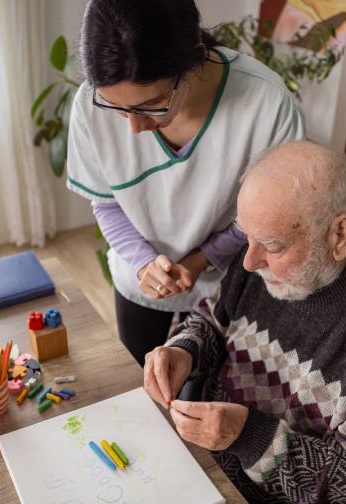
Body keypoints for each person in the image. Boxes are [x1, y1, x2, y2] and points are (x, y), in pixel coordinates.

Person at [144, 141, 346, 503]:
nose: (249, 262)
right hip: (200, 462)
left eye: (272, 246)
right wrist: (184, 350)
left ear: (340, 235)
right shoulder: (263, 249)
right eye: (246, 237)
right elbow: (214, 318)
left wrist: (247, 436)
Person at [66, 0, 305, 366]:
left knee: (208, 393)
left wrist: (202, 259)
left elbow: (267, 215)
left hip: (229, 284)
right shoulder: (89, 105)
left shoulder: (267, 104)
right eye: (118, 108)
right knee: (142, 385)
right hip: (139, 277)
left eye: (154, 104)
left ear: (193, 58)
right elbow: (107, 202)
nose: (134, 127)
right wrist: (144, 263)